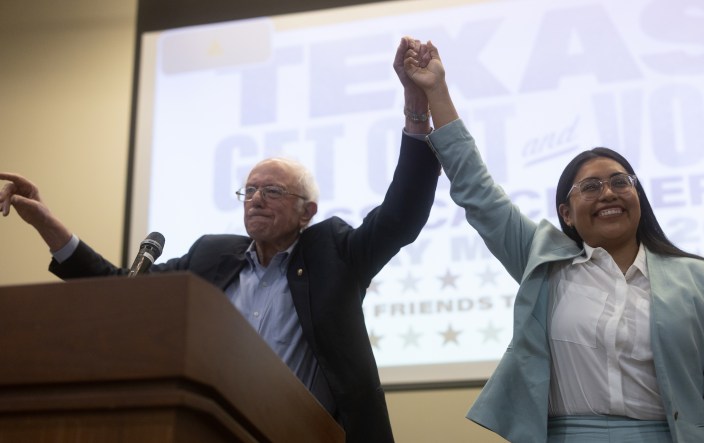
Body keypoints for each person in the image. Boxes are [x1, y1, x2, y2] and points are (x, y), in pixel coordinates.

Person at [0, 37, 440, 443]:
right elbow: (119, 290)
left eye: (272, 191)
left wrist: (416, 108)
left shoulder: (332, 252)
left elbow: (401, 217)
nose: (256, 200)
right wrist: (45, 222)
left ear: (307, 211)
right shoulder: (211, 255)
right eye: (249, 191)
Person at [401, 38, 704, 442]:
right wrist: (437, 91)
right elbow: (478, 191)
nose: (608, 193)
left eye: (619, 182)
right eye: (590, 187)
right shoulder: (543, 262)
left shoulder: (700, 279)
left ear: (638, 197)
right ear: (566, 214)